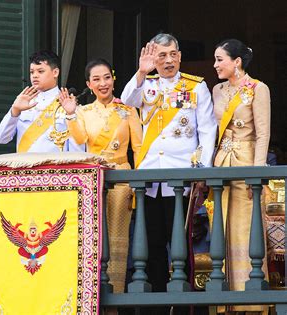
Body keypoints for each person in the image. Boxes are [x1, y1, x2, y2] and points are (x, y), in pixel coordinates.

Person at [121, 33, 217, 314]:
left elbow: (207, 130)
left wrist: (202, 171)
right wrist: (141, 70)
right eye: (161, 55)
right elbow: (128, 99)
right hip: (150, 178)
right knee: (151, 243)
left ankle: (184, 306)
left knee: (181, 244)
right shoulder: (146, 85)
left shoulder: (195, 86)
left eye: (172, 54)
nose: (167, 60)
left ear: (179, 55)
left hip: (182, 178)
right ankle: (158, 306)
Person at [59, 58, 143, 293]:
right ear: (89, 84)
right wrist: (70, 114)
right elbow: (79, 140)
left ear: (113, 79)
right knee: (93, 237)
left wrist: (139, 181)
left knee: (118, 239)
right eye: (96, 79)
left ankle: (115, 292)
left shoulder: (128, 111)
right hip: (95, 179)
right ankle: (92, 295)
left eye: (107, 77)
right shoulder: (83, 112)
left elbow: (138, 148)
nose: (103, 83)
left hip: (122, 179)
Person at [213, 39, 270, 315]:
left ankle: (252, 302)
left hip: (246, 165)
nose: (215, 65)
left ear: (236, 62)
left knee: (245, 234)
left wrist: (256, 174)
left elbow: (263, 134)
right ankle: (227, 304)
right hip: (221, 165)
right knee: (221, 232)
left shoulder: (258, 89)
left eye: (220, 59)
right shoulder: (217, 90)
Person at [0, 50, 84, 152]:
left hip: (54, 167)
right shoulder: (23, 103)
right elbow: (1, 138)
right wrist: (15, 111)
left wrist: (71, 114)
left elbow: (77, 151)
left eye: (40, 71)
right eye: (32, 72)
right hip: (25, 166)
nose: (35, 75)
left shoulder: (68, 105)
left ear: (55, 72)